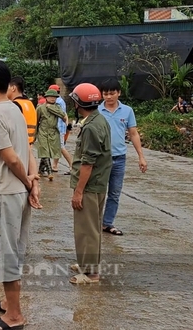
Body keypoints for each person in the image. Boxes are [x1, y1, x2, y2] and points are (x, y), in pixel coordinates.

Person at [0, 59, 41, 330]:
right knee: (15, 249)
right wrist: (33, 183)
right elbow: (28, 151)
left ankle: (14, 316)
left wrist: (28, 183)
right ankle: (8, 301)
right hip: (18, 192)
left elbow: (12, 158)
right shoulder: (15, 109)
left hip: (4, 193)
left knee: (6, 254)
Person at [68, 83, 112, 285]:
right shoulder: (99, 120)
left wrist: (78, 191)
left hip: (90, 185)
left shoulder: (91, 127)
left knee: (87, 229)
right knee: (91, 226)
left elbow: (88, 163)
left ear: (78, 103)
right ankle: (87, 264)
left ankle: (91, 273)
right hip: (97, 183)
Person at [98, 78, 147, 236]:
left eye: (112, 93)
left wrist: (141, 156)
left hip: (119, 158)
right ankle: (94, 223)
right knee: (98, 192)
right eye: (105, 94)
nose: (109, 97)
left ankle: (107, 223)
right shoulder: (96, 111)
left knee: (114, 193)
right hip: (100, 158)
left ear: (119, 93)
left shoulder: (127, 111)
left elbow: (133, 133)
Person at [35, 90, 67, 177]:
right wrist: (34, 135)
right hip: (43, 131)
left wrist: (51, 108)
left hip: (53, 132)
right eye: (51, 97)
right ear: (46, 97)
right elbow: (36, 122)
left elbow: (63, 115)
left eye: (55, 97)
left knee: (48, 152)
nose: (53, 99)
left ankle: (40, 171)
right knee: (45, 151)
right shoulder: (40, 108)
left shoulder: (57, 107)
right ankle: (49, 173)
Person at [49, 85, 73, 174]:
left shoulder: (57, 102)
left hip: (58, 128)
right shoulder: (60, 100)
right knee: (58, 147)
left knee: (61, 147)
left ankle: (72, 165)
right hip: (61, 127)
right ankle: (54, 165)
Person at [7, 76, 38, 147]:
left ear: (13, 88)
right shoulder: (30, 103)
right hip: (29, 144)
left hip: (18, 144)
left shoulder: (15, 105)